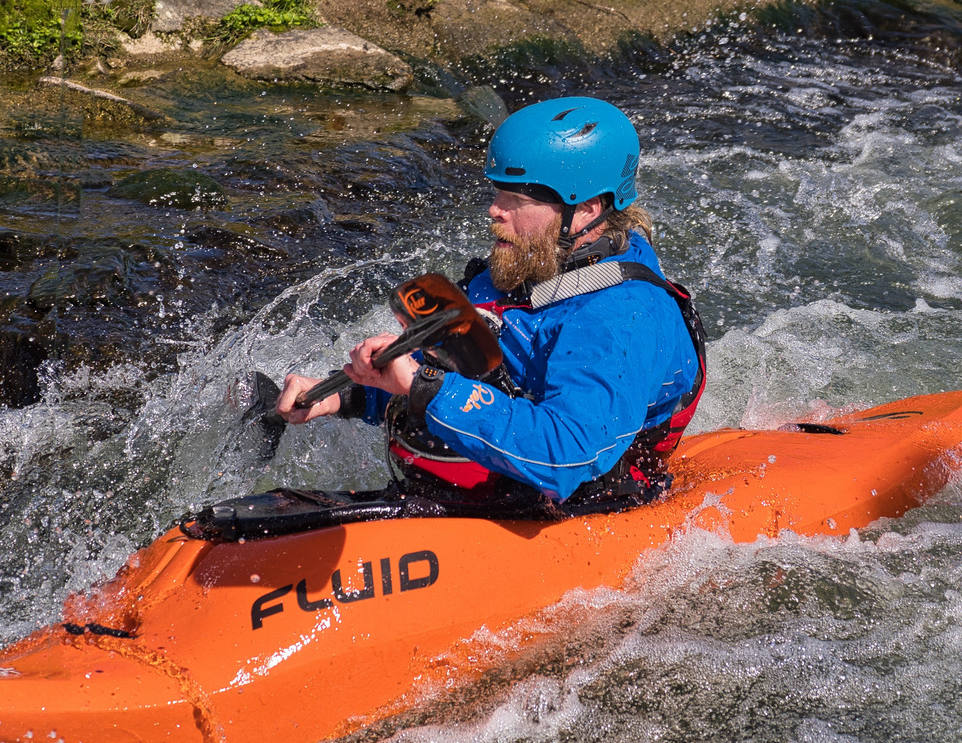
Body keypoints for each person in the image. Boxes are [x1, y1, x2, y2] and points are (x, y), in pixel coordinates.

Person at [275, 96, 706, 509]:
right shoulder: (516, 270)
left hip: (582, 506)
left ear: (588, 210)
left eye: (517, 200)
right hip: (479, 490)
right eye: (498, 193)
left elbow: (566, 457)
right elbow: (463, 376)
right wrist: (347, 396)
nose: (494, 211)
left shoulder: (622, 317)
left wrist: (424, 386)